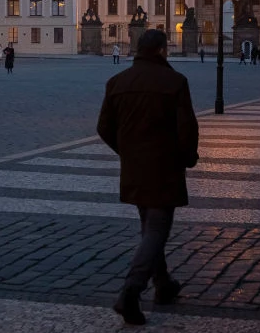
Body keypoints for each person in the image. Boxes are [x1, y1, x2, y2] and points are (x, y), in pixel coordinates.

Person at [97, 29, 199, 326]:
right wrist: (187, 157)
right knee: (156, 228)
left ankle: (163, 283)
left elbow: (104, 127)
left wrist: (127, 150)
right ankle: (130, 291)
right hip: (164, 166)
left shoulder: (117, 82)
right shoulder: (175, 81)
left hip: (134, 166)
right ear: (161, 51)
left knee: (149, 225)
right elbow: (187, 128)